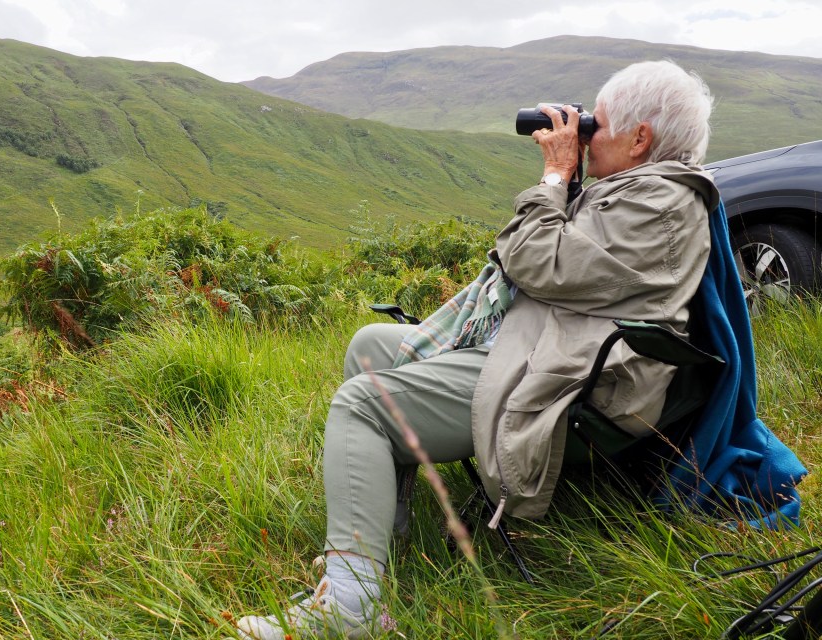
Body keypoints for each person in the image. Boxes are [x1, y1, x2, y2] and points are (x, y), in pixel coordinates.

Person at [232, 59, 719, 639]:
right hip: (551, 343)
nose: (586, 133)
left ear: (640, 140)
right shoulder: (642, 191)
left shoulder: (657, 203)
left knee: (362, 403)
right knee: (370, 346)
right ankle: (381, 533)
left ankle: (350, 608)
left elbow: (538, 261)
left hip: (573, 380)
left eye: (600, 124)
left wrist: (557, 175)